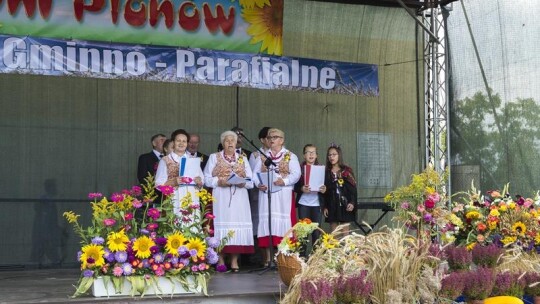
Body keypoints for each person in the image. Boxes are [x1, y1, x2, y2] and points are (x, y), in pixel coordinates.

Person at [204, 131, 255, 272]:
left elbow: (251, 181)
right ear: (222, 143)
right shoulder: (214, 157)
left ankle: (234, 261)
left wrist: (242, 183)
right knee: (221, 225)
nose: (230, 143)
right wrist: (220, 181)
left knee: (236, 226)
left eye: (233, 140)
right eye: (227, 140)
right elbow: (206, 178)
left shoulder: (242, 159)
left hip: (240, 197)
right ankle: (220, 259)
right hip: (221, 196)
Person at [253, 128, 301, 266]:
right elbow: (254, 175)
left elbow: (296, 174)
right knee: (267, 223)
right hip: (266, 194)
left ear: (282, 140)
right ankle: (268, 259)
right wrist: (259, 184)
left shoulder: (290, 156)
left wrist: (284, 181)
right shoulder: (262, 155)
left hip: (283, 194)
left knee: (282, 225)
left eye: (275, 137)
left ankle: (282, 257)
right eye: (269, 137)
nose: (271, 139)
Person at [155, 129, 204, 216]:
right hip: (174, 198)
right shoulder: (165, 160)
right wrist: (173, 182)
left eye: (184, 141)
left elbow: (201, 182)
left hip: (191, 198)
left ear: (187, 144)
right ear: (173, 142)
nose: (181, 143)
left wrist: (199, 181)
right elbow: (158, 185)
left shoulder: (193, 160)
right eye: (178, 141)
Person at [294, 144, 326, 253]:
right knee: (304, 231)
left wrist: (324, 189)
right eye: (308, 152)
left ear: (317, 155)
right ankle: (302, 256)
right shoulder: (299, 169)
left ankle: (315, 258)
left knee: (316, 232)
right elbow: (294, 186)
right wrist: (301, 188)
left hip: (317, 204)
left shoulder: (322, 169)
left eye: (313, 152)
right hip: (304, 203)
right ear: (304, 155)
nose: (311, 154)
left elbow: (327, 187)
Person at [323, 144, 358, 236]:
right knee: (334, 233)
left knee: (345, 232)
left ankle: (346, 250)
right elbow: (324, 191)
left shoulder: (346, 171)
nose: (331, 157)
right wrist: (324, 206)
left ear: (339, 155)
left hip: (345, 204)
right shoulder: (326, 172)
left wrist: (352, 202)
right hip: (332, 204)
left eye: (334, 154)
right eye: (329, 155)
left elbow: (353, 189)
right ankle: (334, 250)